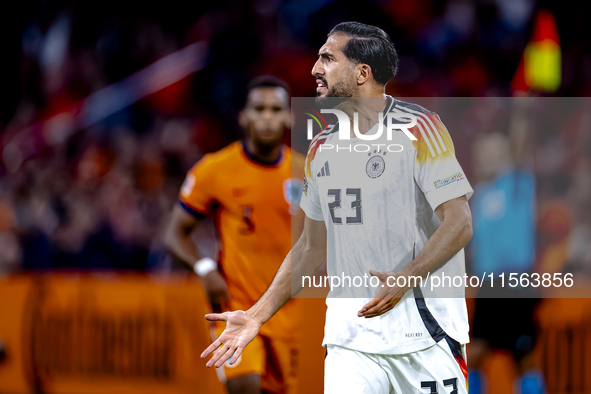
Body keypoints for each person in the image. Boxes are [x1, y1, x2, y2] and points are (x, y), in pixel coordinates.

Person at [201, 22, 474, 394]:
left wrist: (406, 277)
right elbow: (312, 248)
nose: (315, 69)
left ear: (363, 73)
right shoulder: (320, 149)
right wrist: (254, 316)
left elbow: (459, 223)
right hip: (351, 343)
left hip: (424, 338)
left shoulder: (419, 128)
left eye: (327, 58)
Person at [164, 76, 305, 394]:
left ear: (289, 117)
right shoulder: (215, 169)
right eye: (259, 108)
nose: (267, 116)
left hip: (286, 313)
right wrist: (204, 269)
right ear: (244, 116)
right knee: (245, 387)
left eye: (275, 109)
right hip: (235, 307)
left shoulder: (307, 173)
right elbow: (175, 233)